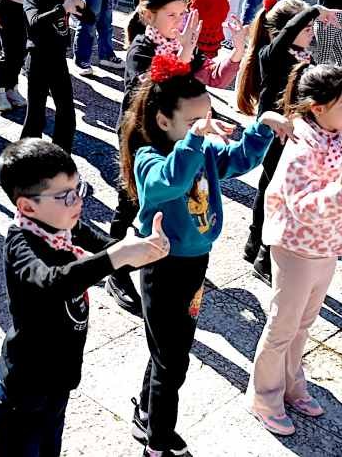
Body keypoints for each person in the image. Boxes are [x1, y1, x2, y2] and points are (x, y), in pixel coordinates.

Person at [119, 56, 292, 457]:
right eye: (195, 122)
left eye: (208, 117)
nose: (206, 127)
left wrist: (261, 127)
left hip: (196, 264)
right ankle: (158, 443)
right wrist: (196, 140)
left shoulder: (200, 146)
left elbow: (238, 160)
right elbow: (172, 181)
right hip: (163, 267)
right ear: (163, 121)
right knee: (172, 361)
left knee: (171, 349)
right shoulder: (150, 158)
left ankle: (147, 412)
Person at [246, 64, 342, 436]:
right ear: (318, 108)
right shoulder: (301, 146)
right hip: (296, 246)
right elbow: (301, 205)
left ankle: (292, 384)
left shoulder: (341, 139)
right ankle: (263, 395)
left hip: (328, 244)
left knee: (303, 323)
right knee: (282, 325)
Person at [0, 138, 170, 456]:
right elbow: (52, 282)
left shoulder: (64, 224)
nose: (78, 201)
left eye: (79, 188)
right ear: (27, 206)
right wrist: (117, 256)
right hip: (23, 390)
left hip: (57, 381)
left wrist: (144, 251)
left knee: (49, 448)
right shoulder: (20, 245)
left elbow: (107, 246)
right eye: (65, 196)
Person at [107, 0, 245, 314]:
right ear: (147, 15)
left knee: (176, 195)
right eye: (172, 14)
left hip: (179, 137)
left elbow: (210, 76)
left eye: (183, 13)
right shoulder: (141, 47)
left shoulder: (182, 43)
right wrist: (182, 54)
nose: (180, 21)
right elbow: (148, 90)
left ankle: (167, 251)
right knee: (132, 200)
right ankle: (116, 268)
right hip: (142, 138)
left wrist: (238, 51)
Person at [236, 0, 340, 283]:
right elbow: (288, 32)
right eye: (306, 27)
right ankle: (264, 257)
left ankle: (254, 242)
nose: (311, 32)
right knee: (276, 193)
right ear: (282, 32)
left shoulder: (305, 56)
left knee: (271, 190)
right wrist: (316, 9)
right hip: (275, 134)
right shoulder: (272, 54)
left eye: (311, 27)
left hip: (296, 136)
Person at [21, 0, 87, 153]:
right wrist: (62, 8)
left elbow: (89, 18)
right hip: (38, 57)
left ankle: (61, 156)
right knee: (36, 115)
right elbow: (34, 23)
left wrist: (80, 4)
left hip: (58, 58)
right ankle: (27, 159)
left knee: (67, 112)